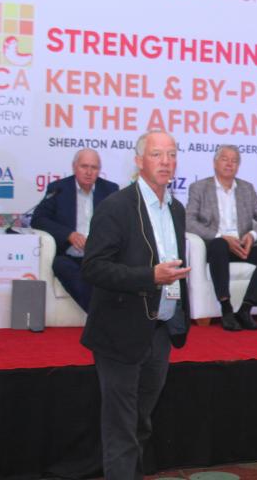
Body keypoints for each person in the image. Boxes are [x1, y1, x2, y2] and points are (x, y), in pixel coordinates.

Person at [81, 131, 191, 479]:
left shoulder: (176, 208)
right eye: (157, 155)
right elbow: (93, 267)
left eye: (171, 155)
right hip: (119, 331)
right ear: (139, 160)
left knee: (141, 422)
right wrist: (149, 276)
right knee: (121, 428)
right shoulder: (116, 206)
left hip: (160, 330)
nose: (166, 162)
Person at [185, 145, 257, 331]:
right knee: (219, 244)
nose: (229, 164)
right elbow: (188, 221)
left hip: (241, 246)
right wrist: (220, 237)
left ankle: (246, 308)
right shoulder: (199, 188)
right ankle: (226, 308)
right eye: (225, 159)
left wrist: (252, 235)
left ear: (238, 166)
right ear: (215, 163)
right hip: (215, 248)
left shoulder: (246, 188)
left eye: (234, 160)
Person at [30, 148, 118, 311]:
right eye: (84, 166)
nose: (89, 172)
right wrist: (68, 235)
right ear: (74, 167)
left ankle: (99, 314)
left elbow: (119, 223)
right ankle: (98, 312)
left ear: (99, 170)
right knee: (61, 265)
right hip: (69, 255)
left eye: (94, 167)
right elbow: (38, 219)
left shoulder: (110, 190)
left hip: (100, 256)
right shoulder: (59, 189)